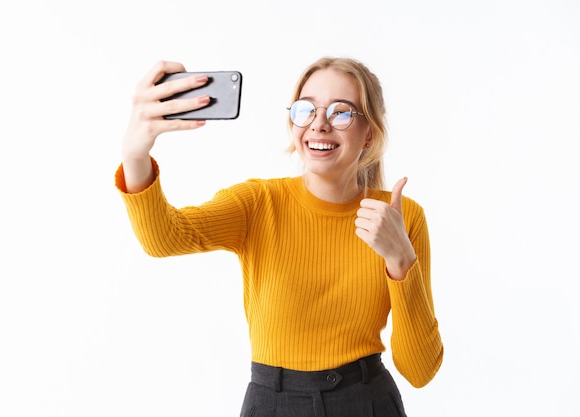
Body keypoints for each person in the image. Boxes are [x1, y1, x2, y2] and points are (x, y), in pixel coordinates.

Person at [116, 57, 443, 417]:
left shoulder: (401, 217)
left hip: (367, 402)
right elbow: (163, 238)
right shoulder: (258, 203)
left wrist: (400, 261)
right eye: (307, 110)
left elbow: (420, 371)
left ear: (370, 133)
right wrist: (135, 154)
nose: (319, 124)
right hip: (274, 403)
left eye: (341, 112)